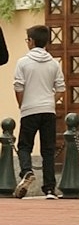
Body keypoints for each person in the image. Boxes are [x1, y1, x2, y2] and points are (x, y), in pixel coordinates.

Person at [12, 24, 65, 199]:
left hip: (29, 109)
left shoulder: (23, 62)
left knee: (25, 145)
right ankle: (50, 189)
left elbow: (18, 87)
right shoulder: (53, 63)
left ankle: (27, 171)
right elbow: (61, 88)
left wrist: (23, 104)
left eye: (28, 39)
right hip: (48, 110)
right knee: (48, 149)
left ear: (31, 41)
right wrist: (51, 100)